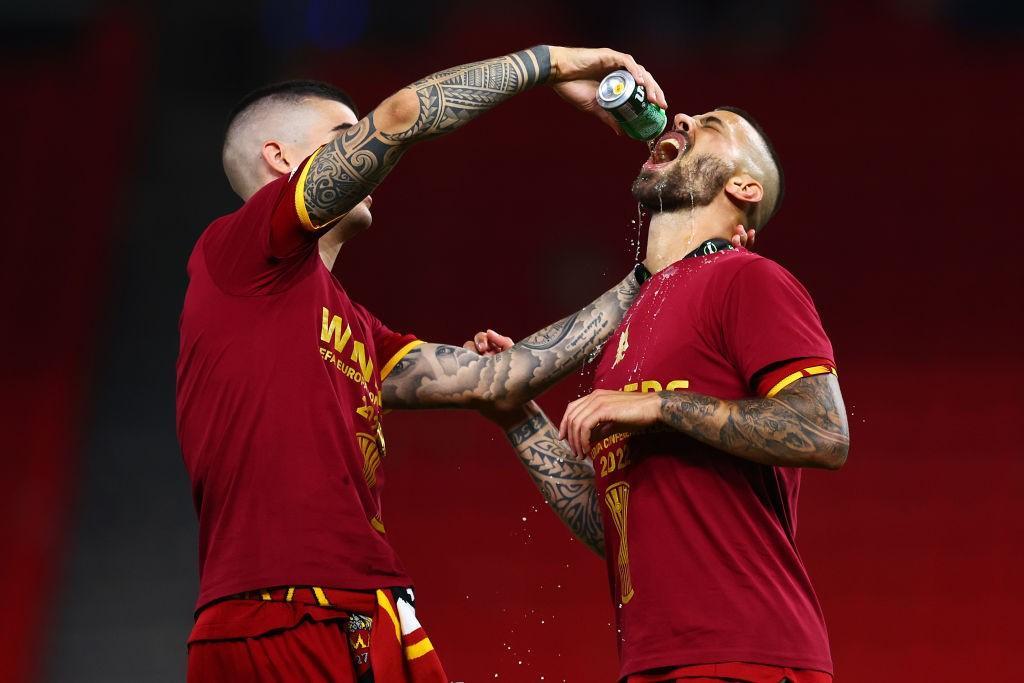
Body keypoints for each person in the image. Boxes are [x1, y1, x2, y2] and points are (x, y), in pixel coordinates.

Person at [176, 44, 701, 682]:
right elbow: (402, 114)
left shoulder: (352, 326)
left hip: (363, 608)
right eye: (346, 133)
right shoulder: (239, 251)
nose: (367, 145)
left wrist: (652, 274)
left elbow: (500, 379)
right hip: (287, 611)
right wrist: (553, 63)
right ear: (282, 159)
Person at [490, 108, 849, 683]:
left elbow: (824, 432)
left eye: (711, 122)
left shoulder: (747, 278)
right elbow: (611, 523)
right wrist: (514, 416)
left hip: (746, 655)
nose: (681, 116)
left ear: (743, 186)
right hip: (654, 661)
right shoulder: (633, 327)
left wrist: (658, 405)